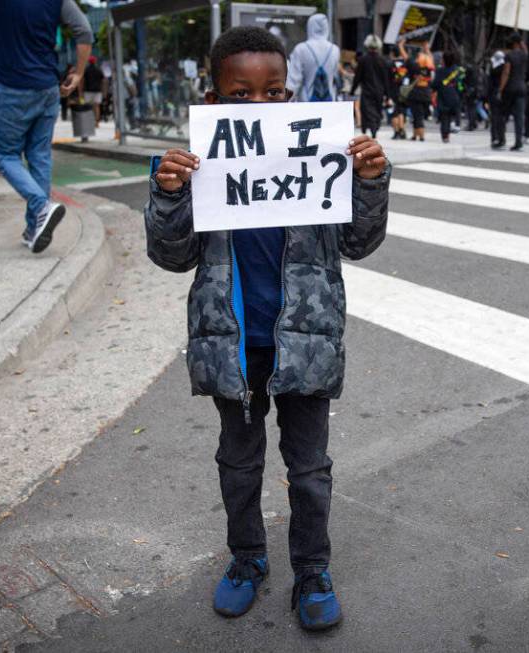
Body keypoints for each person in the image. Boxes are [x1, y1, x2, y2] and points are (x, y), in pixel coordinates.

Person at [146, 25, 390, 632]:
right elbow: (172, 256)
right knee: (239, 463)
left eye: (273, 91)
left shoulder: (321, 153)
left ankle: (312, 569)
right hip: (233, 347)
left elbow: (360, 241)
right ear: (214, 97)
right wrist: (169, 193)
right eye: (240, 93)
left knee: (308, 468)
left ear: (290, 93)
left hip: (304, 345)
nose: (259, 104)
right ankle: (247, 559)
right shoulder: (195, 167)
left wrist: (369, 181)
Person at [0, 0, 92, 254]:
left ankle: (42, 206)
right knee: (39, 156)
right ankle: (34, 229)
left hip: (12, 86)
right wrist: (80, 72)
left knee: (1, 151)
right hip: (48, 88)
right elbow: (84, 30)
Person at [287, 14, 340, 103]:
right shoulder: (335, 49)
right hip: (329, 102)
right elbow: (335, 79)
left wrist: (285, 102)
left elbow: (294, 82)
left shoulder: (301, 49)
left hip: (306, 103)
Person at [351, 34, 391, 138]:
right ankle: (374, 128)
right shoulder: (383, 60)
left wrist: (353, 90)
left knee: (366, 109)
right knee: (377, 109)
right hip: (379, 91)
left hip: (367, 90)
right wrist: (388, 95)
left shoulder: (363, 60)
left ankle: (366, 128)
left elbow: (357, 77)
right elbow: (386, 79)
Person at [398, 37, 434, 141]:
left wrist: (401, 45)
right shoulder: (428, 63)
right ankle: (415, 135)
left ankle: (421, 136)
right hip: (426, 92)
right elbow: (430, 58)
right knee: (419, 114)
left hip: (416, 92)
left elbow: (405, 57)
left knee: (417, 115)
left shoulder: (414, 64)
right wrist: (427, 49)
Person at [498, 33, 528, 151]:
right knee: (519, 117)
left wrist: (501, 89)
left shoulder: (509, 56)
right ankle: (518, 141)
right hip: (522, 87)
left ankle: (501, 138)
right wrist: (522, 43)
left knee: (503, 115)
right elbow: (526, 50)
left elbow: (506, 72)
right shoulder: (524, 55)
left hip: (510, 88)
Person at [432, 50, 464, 143]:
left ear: (444, 60)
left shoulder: (440, 71)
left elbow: (435, 84)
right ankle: (454, 125)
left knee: (444, 117)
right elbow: (461, 83)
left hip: (443, 96)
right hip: (455, 96)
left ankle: (445, 136)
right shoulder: (457, 70)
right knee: (452, 114)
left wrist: (433, 89)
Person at [388, 46, 409, 139]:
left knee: (393, 112)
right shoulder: (405, 64)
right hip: (403, 91)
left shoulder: (389, 64)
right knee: (401, 111)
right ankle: (402, 129)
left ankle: (396, 131)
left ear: (392, 53)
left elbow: (387, 78)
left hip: (392, 90)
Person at [488, 49, 506, 148]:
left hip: (494, 94)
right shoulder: (505, 68)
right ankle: (501, 137)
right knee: (501, 118)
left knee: (494, 117)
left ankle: (494, 137)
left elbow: (490, 84)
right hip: (502, 94)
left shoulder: (493, 69)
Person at [82, 55, 104, 126]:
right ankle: (97, 122)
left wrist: (81, 90)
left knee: (88, 106)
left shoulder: (86, 70)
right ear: (95, 61)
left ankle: (89, 121)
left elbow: (83, 80)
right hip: (97, 90)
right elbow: (103, 80)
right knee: (97, 106)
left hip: (88, 90)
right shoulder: (99, 70)